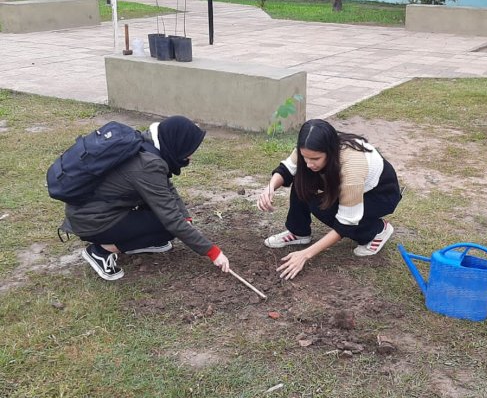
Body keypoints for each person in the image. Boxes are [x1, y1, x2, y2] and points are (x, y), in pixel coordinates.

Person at [62, 115, 230, 281]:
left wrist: (186, 217)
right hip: (93, 221)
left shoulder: (145, 145)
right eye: (189, 151)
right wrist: (213, 252)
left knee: (172, 224)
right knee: (168, 227)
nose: (190, 156)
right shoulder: (148, 165)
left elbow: (166, 186)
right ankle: (101, 251)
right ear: (176, 143)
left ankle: (140, 241)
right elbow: (172, 220)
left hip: (93, 211)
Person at [257, 119, 401, 280]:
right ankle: (299, 233)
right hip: (347, 183)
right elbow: (287, 169)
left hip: (380, 193)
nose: (309, 163)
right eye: (305, 157)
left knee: (326, 210)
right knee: (302, 179)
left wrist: (305, 255)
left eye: (315, 159)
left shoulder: (351, 167)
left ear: (330, 151)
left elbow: (346, 222)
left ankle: (377, 230)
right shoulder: (310, 147)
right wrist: (269, 188)